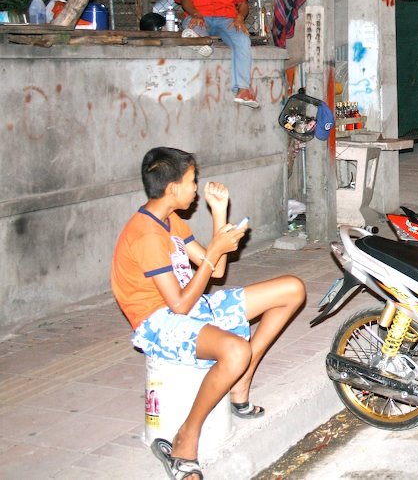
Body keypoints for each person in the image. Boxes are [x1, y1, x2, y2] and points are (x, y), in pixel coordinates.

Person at [111, 147, 305, 480]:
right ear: (172, 188)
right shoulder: (145, 234)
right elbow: (179, 306)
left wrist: (219, 215)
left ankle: (240, 383)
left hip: (190, 307)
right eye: (191, 181)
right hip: (158, 323)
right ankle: (186, 437)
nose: (196, 189)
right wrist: (216, 249)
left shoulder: (169, 220)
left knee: (292, 289)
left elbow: (214, 272)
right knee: (235, 350)